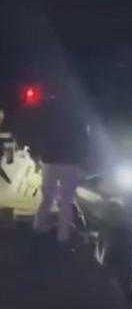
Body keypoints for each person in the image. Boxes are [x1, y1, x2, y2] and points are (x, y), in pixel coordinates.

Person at [28, 85, 89, 244]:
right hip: (69, 161)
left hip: (49, 160)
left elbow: (38, 132)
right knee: (67, 200)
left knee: (48, 197)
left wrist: (38, 153)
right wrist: (83, 160)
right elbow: (83, 138)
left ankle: (38, 227)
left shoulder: (47, 111)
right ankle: (63, 235)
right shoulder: (76, 114)